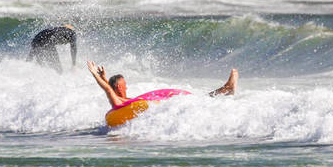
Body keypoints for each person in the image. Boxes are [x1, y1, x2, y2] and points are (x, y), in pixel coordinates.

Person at [87, 60, 238, 108]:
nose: (127, 87)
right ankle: (225, 90)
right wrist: (95, 75)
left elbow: (110, 88)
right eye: (124, 85)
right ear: (119, 87)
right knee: (197, 100)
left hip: (158, 104)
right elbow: (108, 89)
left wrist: (105, 77)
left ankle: (225, 90)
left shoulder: (124, 99)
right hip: (159, 106)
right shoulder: (118, 102)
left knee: (197, 98)